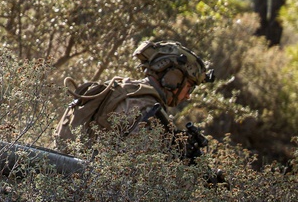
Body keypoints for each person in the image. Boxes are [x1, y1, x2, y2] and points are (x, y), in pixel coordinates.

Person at [54, 40, 213, 150]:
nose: (188, 96)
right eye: (189, 87)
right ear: (174, 78)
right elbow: (139, 170)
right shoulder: (146, 108)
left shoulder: (123, 88)